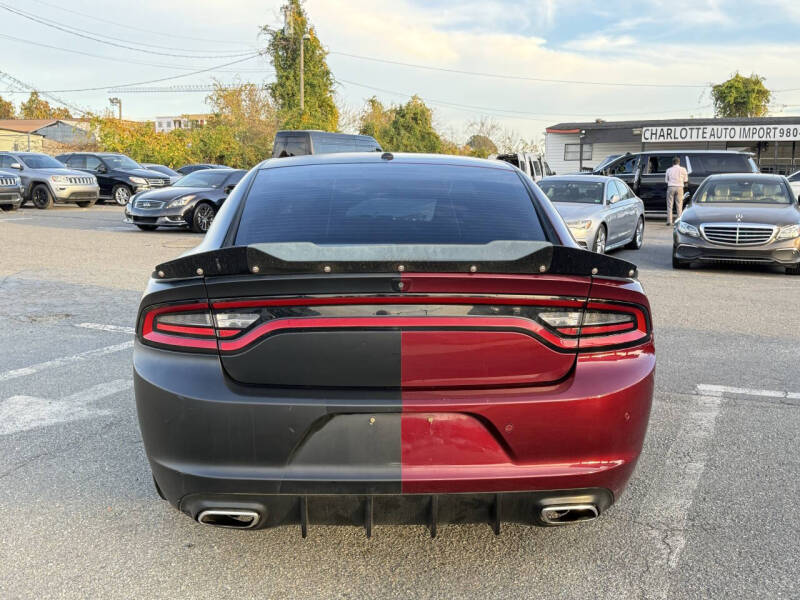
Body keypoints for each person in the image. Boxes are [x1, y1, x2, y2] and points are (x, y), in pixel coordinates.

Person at [665, 157, 689, 226]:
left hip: (671, 187)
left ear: (673, 162)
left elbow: (666, 181)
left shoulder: (668, 170)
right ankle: (679, 221)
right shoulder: (683, 169)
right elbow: (685, 180)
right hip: (680, 187)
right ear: (679, 162)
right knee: (679, 205)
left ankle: (669, 221)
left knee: (669, 205)